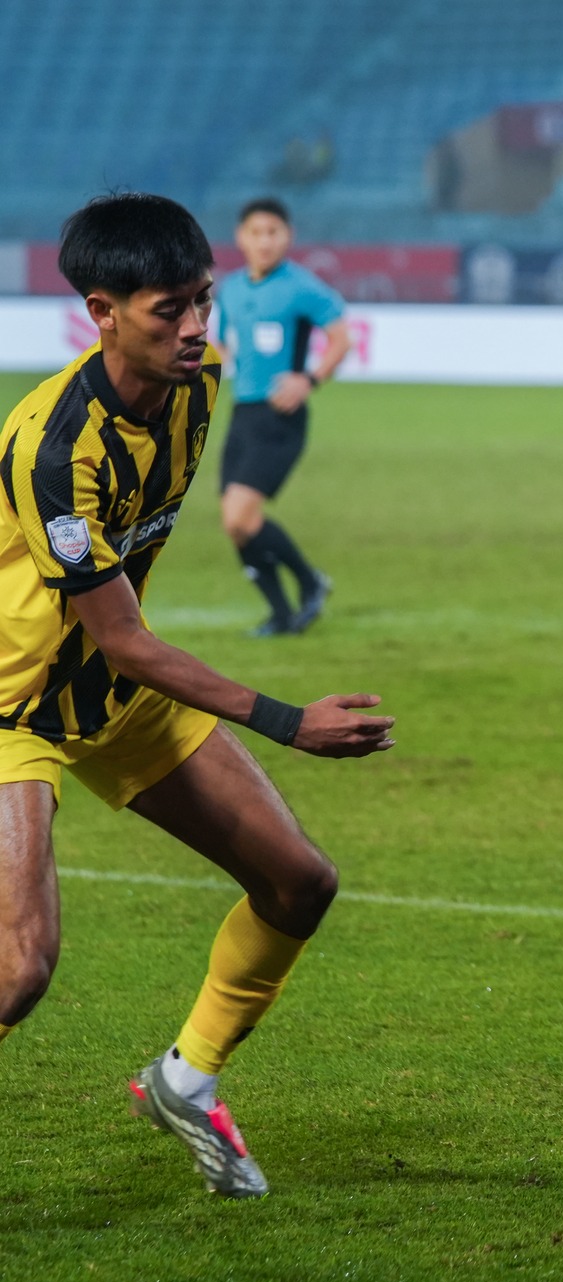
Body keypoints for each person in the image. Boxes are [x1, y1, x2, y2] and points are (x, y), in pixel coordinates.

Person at [0, 193, 394, 1199]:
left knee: (298, 882)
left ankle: (185, 1081)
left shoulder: (202, 381)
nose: (193, 331)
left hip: (110, 693)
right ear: (102, 310)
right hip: (12, 705)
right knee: (19, 968)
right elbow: (124, 635)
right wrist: (285, 720)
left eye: (203, 305)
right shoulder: (54, 448)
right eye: (167, 311)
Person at [215, 198, 349, 635]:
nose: (265, 241)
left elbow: (341, 338)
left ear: (287, 237)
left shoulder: (301, 286)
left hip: (280, 418)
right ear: (241, 238)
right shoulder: (231, 288)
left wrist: (308, 379)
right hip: (242, 415)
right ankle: (281, 613)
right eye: (256, 232)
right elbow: (221, 344)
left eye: (273, 232)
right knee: (236, 527)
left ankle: (310, 582)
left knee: (241, 517)